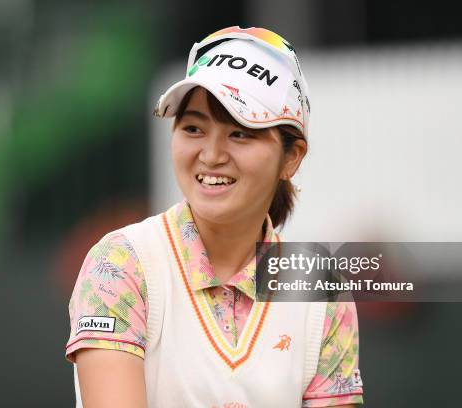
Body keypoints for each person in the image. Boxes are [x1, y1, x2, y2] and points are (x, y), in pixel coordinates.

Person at [65, 26, 364, 408]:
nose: (210, 154)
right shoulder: (122, 263)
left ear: (291, 157)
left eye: (240, 133)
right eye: (193, 128)